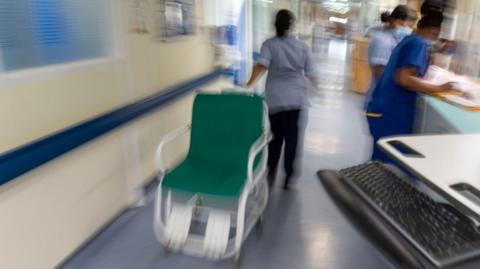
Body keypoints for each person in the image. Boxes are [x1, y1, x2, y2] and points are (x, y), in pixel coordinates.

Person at [366, 2, 457, 162]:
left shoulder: (412, 39)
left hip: (382, 109)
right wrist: (439, 88)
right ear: (436, 30)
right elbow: (404, 78)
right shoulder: (418, 43)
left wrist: (436, 49)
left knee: (381, 161)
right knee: (390, 165)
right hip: (391, 113)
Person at [246, 9, 316, 190]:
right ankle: (289, 177)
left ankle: (271, 169)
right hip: (296, 100)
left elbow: (261, 65)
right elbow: (311, 73)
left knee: (274, 138)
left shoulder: (269, 45)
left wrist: (249, 84)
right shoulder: (302, 47)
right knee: (292, 139)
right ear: (292, 25)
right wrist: (318, 87)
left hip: (275, 100)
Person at [365, 5, 418, 108]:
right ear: (396, 21)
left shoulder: (395, 39)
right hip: (381, 98)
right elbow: (380, 75)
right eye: (407, 26)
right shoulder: (382, 41)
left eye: (411, 27)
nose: (409, 30)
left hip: (386, 97)